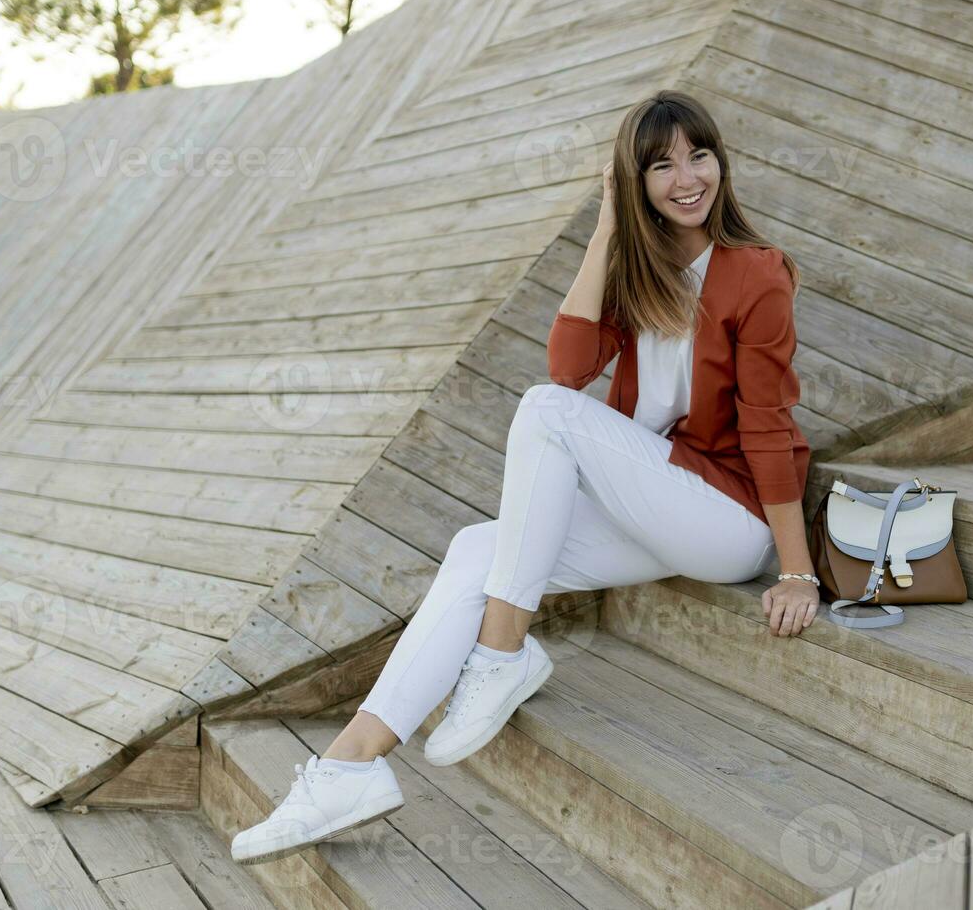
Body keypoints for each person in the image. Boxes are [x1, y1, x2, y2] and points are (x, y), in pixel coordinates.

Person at [231, 90, 819, 866]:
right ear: (632, 181)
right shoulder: (642, 274)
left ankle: (502, 652)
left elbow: (767, 427)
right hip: (657, 502)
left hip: (729, 520)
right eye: (661, 164)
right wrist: (606, 234)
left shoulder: (756, 274)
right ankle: (348, 766)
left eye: (699, 155)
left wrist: (797, 570)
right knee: (480, 547)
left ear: (720, 163)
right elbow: (570, 364)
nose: (687, 177)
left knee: (545, 413)